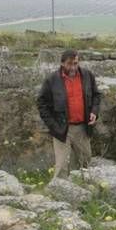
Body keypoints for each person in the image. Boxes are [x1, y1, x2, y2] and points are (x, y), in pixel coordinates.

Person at [37, 49, 102, 179]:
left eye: (76, 63)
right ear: (62, 63)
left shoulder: (87, 76)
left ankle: (85, 191)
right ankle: (58, 194)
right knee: (61, 166)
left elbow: (96, 96)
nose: (73, 67)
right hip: (61, 129)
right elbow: (41, 103)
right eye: (69, 64)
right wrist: (53, 125)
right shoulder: (52, 80)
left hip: (83, 128)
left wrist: (94, 111)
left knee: (85, 162)